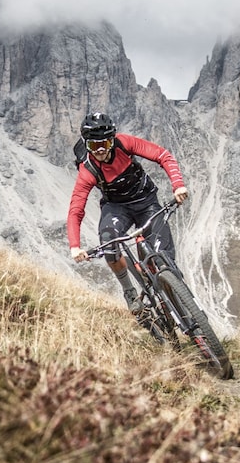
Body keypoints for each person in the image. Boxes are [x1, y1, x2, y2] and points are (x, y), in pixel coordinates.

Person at [67, 111, 189, 312]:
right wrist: (75, 246)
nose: (99, 151)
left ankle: (180, 297)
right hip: (116, 208)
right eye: (93, 146)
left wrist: (178, 186)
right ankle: (130, 292)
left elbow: (162, 155)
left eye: (104, 145)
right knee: (108, 242)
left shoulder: (124, 143)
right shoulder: (87, 169)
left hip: (146, 201)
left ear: (112, 140)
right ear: (86, 145)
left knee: (163, 257)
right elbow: (76, 209)